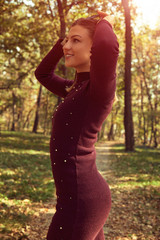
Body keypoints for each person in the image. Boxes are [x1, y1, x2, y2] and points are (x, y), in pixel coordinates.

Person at [35, 10, 119, 240]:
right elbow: (42, 73)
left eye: (76, 40)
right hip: (81, 198)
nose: (67, 46)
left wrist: (104, 22)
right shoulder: (74, 87)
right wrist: (61, 43)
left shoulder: (98, 90)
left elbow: (107, 45)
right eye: (67, 40)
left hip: (80, 203)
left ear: (94, 49)